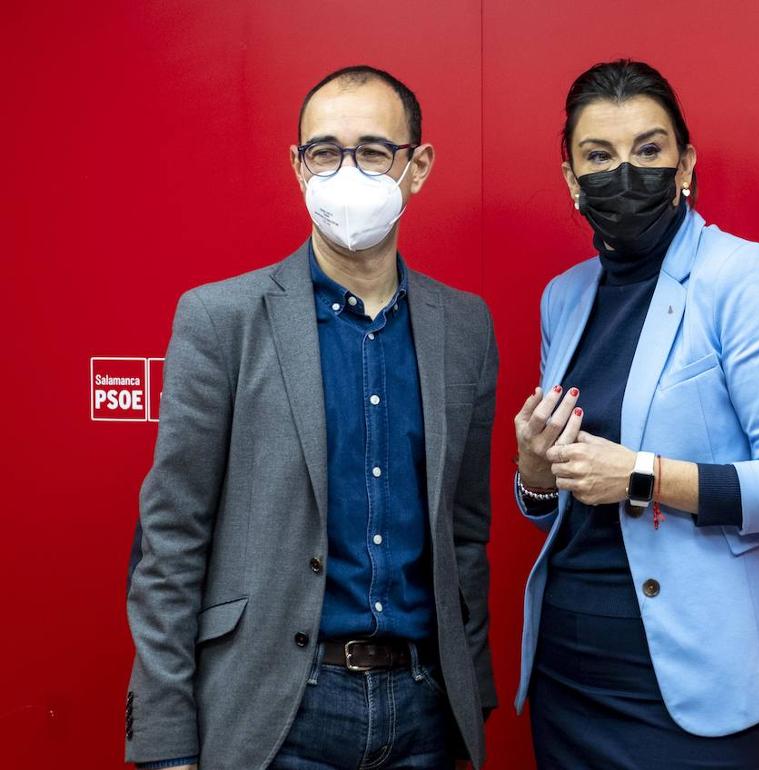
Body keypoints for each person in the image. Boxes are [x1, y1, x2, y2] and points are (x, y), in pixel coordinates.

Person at [125, 65, 497, 770]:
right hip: (275, 710)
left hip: (426, 711)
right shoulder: (221, 319)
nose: (345, 172)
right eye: (325, 152)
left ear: (417, 167)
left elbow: (466, 532)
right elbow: (170, 540)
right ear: (298, 167)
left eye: (373, 151)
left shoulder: (466, 327)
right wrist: (166, 743)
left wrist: (469, 698)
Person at [511, 59, 759, 770]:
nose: (623, 173)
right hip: (569, 666)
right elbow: (563, 502)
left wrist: (642, 474)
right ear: (571, 178)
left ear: (685, 164)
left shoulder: (740, 277)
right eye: (598, 156)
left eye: (648, 150)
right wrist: (535, 475)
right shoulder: (563, 297)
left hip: (692, 673)